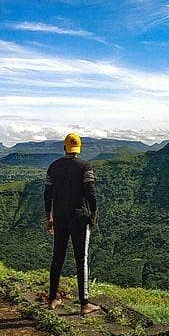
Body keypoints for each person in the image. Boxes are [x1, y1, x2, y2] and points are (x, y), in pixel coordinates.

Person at [44, 133, 100, 315]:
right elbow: (91, 193)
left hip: (60, 218)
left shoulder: (53, 167)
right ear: (79, 148)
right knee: (81, 259)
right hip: (79, 219)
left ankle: (52, 298)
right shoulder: (85, 166)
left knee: (57, 257)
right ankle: (84, 303)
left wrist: (49, 217)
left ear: (64, 148)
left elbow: (47, 194)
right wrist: (93, 214)